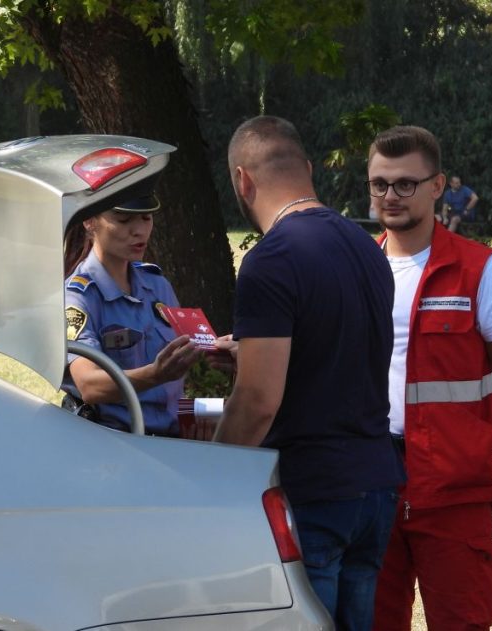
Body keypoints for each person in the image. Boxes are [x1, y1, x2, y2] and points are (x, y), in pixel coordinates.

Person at [212, 115, 405, 630]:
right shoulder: (368, 248)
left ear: (242, 180)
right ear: (309, 170)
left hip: (315, 489)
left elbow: (257, 401)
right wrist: (247, 351)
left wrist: (209, 479)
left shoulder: (270, 259)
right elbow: (338, 345)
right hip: (376, 481)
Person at [367, 125, 492, 631]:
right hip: (371, 479)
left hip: (453, 487)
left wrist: (470, 435)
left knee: (460, 621)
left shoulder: (482, 270)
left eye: (405, 184)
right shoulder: (358, 267)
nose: (390, 196)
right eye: (379, 184)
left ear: (437, 186)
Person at [61, 195, 206, 438]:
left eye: (146, 218)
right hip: (113, 443)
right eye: (124, 219)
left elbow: (188, 343)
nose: (139, 231)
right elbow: (89, 385)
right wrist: (155, 375)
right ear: (89, 221)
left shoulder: (157, 284)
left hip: (174, 438)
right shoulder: (78, 297)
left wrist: (220, 348)